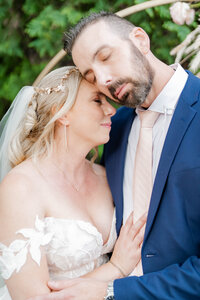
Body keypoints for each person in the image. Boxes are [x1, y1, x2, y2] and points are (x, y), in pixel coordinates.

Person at [29, 11, 200, 300]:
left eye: (106, 57)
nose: (104, 80)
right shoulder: (114, 130)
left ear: (140, 40)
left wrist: (113, 290)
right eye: (91, 76)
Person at [0, 66, 146, 300]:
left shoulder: (106, 175)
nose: (111, 110)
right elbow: (32, 298)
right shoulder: (21, 187)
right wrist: (116, 268)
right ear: (62, 112)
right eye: (97, 101)